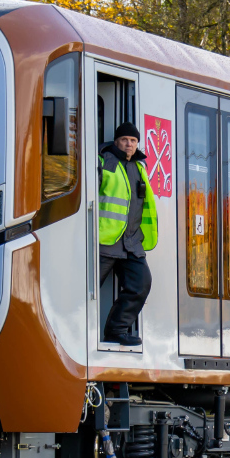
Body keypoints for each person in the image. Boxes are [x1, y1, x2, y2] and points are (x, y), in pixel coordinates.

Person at [98, 122, 158, 345]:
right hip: (106, 240)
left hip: (131, 242)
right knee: (85, 292)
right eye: (124, 140)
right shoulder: (104, 162)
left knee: (141, 283)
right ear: (116, 141)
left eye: (133, 141)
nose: (129, 144)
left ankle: (116, 331)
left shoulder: (140, 167)